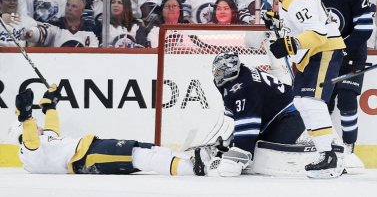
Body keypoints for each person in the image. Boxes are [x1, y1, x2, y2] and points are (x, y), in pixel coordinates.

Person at [258, 0, 346, 179]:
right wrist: (277, 23)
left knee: (311, 102)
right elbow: (299, 25)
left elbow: (317, 33)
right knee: (300, 101)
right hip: (312, 55)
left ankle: (329, 156)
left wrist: (290, 44)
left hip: (323, 51)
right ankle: (323, 154)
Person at [11, 84, 207, 176]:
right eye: (33, 125)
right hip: (86, 159)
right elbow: (32, 142)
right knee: (140, 157)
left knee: (147, 149)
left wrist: (49, 106)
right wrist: (27, 118)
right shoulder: (28, 155)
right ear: (23, 130)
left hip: (93, 147)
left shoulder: (46, 139)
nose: (39, 126)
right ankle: (194, 169)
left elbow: (52, 127)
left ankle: (192, 160)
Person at [311, 0, 372, 174]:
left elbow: (365, 28)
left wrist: (342, 49)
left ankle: (348, 149)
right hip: (325, 55)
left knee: (347, 99)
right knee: (321, 104)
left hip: (352, 55)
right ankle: (323, 148)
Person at [208, 52, 305, 177]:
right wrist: (223, 145)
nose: (216, 74)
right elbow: (233, 115)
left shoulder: (245, 86)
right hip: (274, 116)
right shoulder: (231, 80)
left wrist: (239, 152)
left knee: (262, 154)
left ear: (230, 71)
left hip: (292, 115)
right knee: (254, 149)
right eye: (216, 70)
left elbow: (248, 124)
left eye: (220, 72)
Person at [21, 0, 99, 47]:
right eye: (67, 5)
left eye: (74, 6)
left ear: (82, 10)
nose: (69, 8)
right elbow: (43, 31)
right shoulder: (55, 24)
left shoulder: (90, 29)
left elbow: (92, 55)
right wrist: (32, 33)